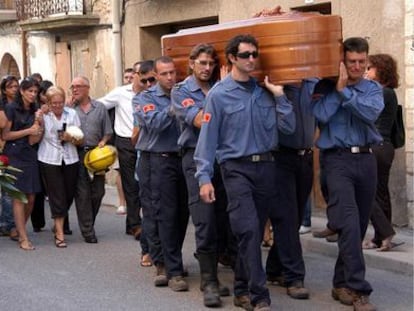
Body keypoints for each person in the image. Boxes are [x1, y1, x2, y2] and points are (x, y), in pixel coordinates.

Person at [194, 35, 295, 311]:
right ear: (231, 58)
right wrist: (204, 177)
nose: (252, 59)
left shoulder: (265, 90)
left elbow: (288, 129)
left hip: (266, 168)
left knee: (248, 234)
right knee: (249, 230)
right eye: (246, 55)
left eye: (255, 54)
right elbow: (208, 139)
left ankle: (241, 290)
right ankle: (259, 296)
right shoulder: (218, 95)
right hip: (235, 169)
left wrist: (279, 95)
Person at [311, 37, 384, 311]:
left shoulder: (372, 89)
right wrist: (337, 89)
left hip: (366, 160)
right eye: (351, 61)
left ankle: (340, 283)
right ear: (342, 61)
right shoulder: (323, 87)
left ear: (366, 61)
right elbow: (320, 115)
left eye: (361, 62)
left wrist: (345, 94)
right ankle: (357, 290)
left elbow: (370, 113)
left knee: (358, 226)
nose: (356, 66)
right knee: (350, 225)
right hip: (336, 161)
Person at [171, 43, 232, 307]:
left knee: (224, 220)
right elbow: (199, 120)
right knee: (204, 220)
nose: (207, 68)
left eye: (211, 64)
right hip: (196, 157)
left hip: (224, 158)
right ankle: (209, 282)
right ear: (192, 63)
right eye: (202, 63)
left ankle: (217, 275)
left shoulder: (223, 86)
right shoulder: (181, 90)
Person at [134, 56, 189, 292]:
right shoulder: (144, 98)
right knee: (160, 214)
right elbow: (154, 123)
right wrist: (174, 108)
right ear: (155, 76)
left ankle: (171, 256)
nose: (170, 77)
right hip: (156, 159)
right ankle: (164, 264)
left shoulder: (181, 93)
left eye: (173, 73)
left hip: (182, 159)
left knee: (182, 214)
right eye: (165, 74)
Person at [265, 79, 318, 300]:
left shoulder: (314, 83)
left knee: (294, 219)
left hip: (305, 158)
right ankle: (294, 276)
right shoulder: (274, 85)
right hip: (280, 158)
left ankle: (274, 268)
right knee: (286, 218)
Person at [98, 64, 142, 240]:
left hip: (145, 141)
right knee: (130, 183)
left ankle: (132, 223)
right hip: (125, 141)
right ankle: (135, 224)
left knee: (141, 184)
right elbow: (100, 105)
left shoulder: (151, 93)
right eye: (138, 74)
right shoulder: (121, 92)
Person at [363, 53, 400, 251]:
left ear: (380, 70)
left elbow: (367, 114)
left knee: (365, 191)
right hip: (384, 148)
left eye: (369, 68)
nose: (366, 71)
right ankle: (381, 238)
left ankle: (385, 232)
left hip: (376, 147)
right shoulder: (388, 92)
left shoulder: (382, 93)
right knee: (380, 194)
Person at [38, 86, 83, 248]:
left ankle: (59, 220)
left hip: (70, 158)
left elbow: (80, 139)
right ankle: (60, 233)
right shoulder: (44, 115)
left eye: (61, 102)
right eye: (54, 103)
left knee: (68, 194)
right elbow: (37, 134)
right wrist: (39, 118)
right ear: (48, 103)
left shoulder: (72, 114)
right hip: (49, 158)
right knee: (57, 195)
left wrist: (70, 137)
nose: (58, 106)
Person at [2, 77, 44, 250]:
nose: (33, 95)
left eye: (35, 92)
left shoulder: (36, 110)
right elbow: (5, 135)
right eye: (30, 91)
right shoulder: (11, 108)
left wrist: (38, 122)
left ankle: (18, 229)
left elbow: (34, 139)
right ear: (22, 91)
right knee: (19, 197)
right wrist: (28, 130)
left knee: (31, 198)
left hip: (29, 154)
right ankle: (23, 237)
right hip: (14, 154)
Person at [72, 76, 113, 244]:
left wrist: (103, 141)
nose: (74, 89)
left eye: (78, 86)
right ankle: (88, 230)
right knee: (82, 194)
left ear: (87, 88)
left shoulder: (100, 108)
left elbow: (108, 131)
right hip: (77, 154)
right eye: (72, 87)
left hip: (97, 156)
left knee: (98, 192)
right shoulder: (70, 110)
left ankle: (89, 221)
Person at [131, 60, 157, 268]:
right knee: (149, 210)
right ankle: (146, 250)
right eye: (144, 80)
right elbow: (135, 137)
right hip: (146, 160)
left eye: (152, 79)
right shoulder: (139, 101)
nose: (149, 84)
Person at [31, 79, 53, 234]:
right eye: (46, 93)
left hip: (52, 149)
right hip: (36, 148)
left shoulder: (57, 106)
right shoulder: (36, 109)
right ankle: (37, 222)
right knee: (38, 188)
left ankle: (61, 222)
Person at [0, 75, 19, 239]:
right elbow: (2, 125)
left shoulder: (20, 105)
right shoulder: (4, 105)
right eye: (11, 86)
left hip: (11, 149)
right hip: (3, 147)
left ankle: (9, 224)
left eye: (16, 86)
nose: (15, 89)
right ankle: (6, 223)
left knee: (8, 189)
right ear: (4, 89)